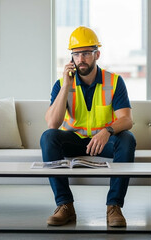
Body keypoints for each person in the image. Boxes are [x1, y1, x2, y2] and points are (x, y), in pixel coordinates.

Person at [40, 26, 136, 228]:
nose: (81, 59)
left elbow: (127, 120)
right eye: (76, 54)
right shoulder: (61, 84)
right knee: (48, 137)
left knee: (128, 139)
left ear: (97, 54)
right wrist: (66, 86)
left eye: (85, 53)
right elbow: (53, 123)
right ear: (71, 58)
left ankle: (114, 206)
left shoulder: (114, 81)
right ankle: (65, 205)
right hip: (74, 141)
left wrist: (106, 131)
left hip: (104, 142)